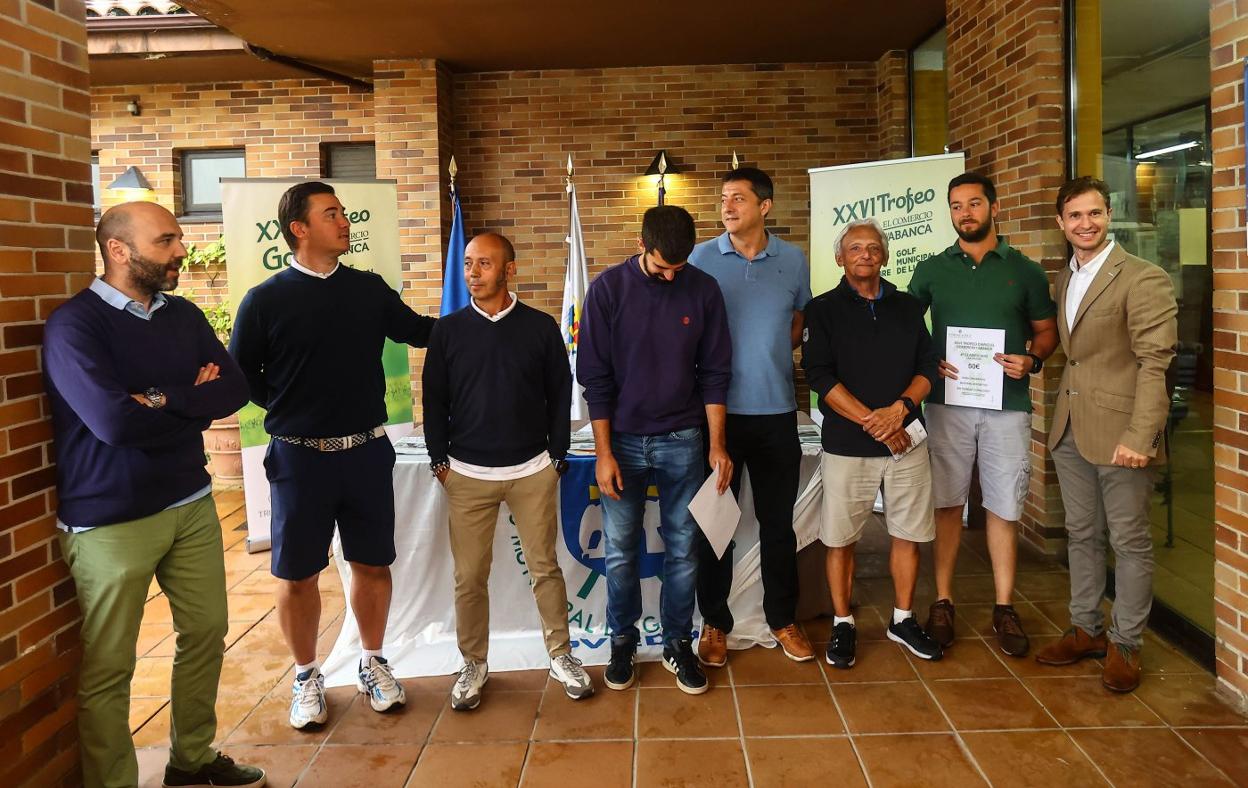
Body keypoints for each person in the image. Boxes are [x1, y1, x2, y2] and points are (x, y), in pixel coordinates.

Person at [44, 202, 264, 788]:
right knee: (111, 665)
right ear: (119, 250)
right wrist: (187, 398)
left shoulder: (184, 316)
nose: (181, 251)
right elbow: (112, 423)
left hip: (190, 502)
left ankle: (190, 760)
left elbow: (236, 390)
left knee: (207, 633)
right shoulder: (75, 326)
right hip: (109, 520)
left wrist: (157, 400)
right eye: (166, 241)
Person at [230, 181, 436, 729]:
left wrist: (495, 322)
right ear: (299, 229)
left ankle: (373, 661)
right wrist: (289, 407)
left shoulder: (368, 290)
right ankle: (306, 675)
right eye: (331, 214)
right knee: (297, 574)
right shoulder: (265, 301)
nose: (344, 222)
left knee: (372, 563)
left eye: (344, 213)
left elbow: (421, 332)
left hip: (367, 453)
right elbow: (242, 374)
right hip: (299, 459)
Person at [422, 232, 593, 710]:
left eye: (484, 265)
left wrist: (556, 457)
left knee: (545, 569)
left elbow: (562, 395)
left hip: (533, 470)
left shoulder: (539, 328)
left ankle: (561, 654)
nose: (473, 273)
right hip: (467, 475)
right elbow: (434, 400)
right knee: (469, 577)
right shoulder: (448, 331)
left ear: (509, 270)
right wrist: (441, 461)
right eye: (469, 264)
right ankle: (473, 662)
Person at [577, 205, 733, 695]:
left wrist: (717, 445)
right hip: (621, 440)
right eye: (663, 266)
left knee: (684, 550)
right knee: (620, 550)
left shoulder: (703, 289)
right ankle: (622, 641)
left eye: (679, 268)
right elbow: (595, 380)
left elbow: (714, 374)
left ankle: (676, 644)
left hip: (683, 439)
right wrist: (603, 452)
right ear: (641, 245)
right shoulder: (607, 290)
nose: (671, 276)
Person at [1035, 177, 1177, 692]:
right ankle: (1087, 629)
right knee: (1082, 534)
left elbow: (1155, 362)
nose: (1085, 224)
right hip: (1071, 429)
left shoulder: (1142, 278)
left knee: (1130, 539)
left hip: (1123, 432)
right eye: (1075, 216)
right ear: (1061, 223)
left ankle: (1126, 642)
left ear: (1108, 215)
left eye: (1094, 214)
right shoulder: (1064, 278)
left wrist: (1142, 434)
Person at [909, 172, 1058, 657]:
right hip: (947, 404)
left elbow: (1045, 332)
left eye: (974, 203)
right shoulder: (932, 270)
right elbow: (906, 330)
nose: (965, 213)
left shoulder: (1026, 271)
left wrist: (1031, 359)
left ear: (993, 207)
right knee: (947, 505)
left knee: (1003, 505)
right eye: (956, 206)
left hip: (1006, 406)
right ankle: (944, 600)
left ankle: (1003, 605)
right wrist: (931, 359)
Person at [802, 218, 943, 669]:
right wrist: (873, 420)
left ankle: (902, 619)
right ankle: (843, 622)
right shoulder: (821, 310)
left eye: (873, 247)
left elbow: (928, 364)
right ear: (839, 258)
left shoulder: (908, 306)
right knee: (840, 539)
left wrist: (899, 410)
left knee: (908, 533)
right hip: (848, 444)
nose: (865, 253)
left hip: (907, 442)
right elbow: (819, 375)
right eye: (855, 248)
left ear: (884, 255)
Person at [688, 167, 814, 667]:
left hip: (777, 414)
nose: (727, 206)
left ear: (765, 206)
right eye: (723, 199)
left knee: (777, 524)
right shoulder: (702, 258)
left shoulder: (793, 260)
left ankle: (782, 618)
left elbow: (799, 320)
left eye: (738, 198)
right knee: (715, 524)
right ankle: (715, 624)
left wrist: (769, 354)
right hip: (716, 418)